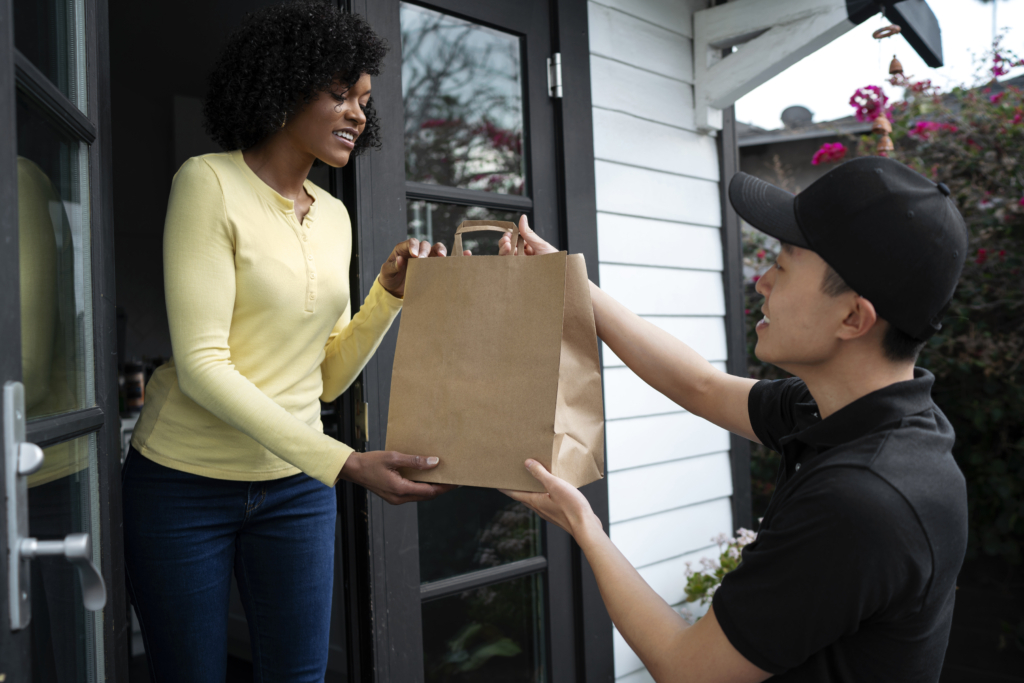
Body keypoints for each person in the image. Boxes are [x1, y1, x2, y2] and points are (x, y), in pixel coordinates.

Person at [501, 156, 969, 683]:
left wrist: (584, 527)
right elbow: (701, 385)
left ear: (852, 318)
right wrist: (573, 285)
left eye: (785, 265)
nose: (761, 281)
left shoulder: (863, 500)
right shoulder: (857, 414)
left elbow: (688, 670)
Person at [121, 4, 455, 680]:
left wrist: (389, 294)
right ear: (282, 87)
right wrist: (346, 462)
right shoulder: (207, 183)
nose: (359, 113)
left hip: (296, 488)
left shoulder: (334, 215)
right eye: (339, 93)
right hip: (184, 486)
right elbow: (203, 367)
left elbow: (324, 377)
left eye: (364, 99)